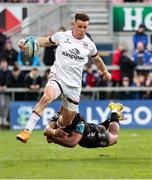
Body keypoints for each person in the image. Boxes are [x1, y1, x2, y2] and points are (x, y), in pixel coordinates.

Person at [16, 12, 111, 143]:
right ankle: (26, 131)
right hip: (58, 76)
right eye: (80, 26)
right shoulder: (62, 36)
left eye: (85, 27)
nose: (82, 30)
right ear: (73, 25)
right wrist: (27, 42)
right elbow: (44, 41)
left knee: (67, 120)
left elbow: (97, 60)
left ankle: (53, 126)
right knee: (46, 97)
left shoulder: (89, 44)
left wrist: (105, 72)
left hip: (74, 85)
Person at [44, 102, 123, 148]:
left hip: (94, 135)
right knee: (101, 127)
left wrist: (54, 139)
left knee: (114, 136)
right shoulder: (56, 116)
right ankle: (114, 117)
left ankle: (114, 110)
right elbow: (46, 130)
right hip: (85, 138)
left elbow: (72, 142)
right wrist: (54, 132)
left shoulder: (79, 119)